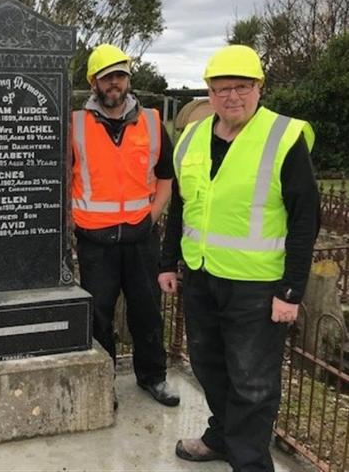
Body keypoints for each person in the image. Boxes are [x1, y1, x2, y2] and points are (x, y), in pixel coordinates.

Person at [158, 45, 319, 471]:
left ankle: (249, 462)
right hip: (202, 275)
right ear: (208, 92)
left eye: (242, 87)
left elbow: (306, 219)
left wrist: (291, 290)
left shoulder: (283, 137)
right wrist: (166, 260)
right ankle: (222, 436)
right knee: (210, 366)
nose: (232, 96)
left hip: (258, 284)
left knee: (252, 382)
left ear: (259, 88)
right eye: (221, 88)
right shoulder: (192, 136)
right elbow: (183, 205)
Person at [71, 44, 179, 408]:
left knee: (147, 311)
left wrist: (150, 218)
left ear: (129, 80)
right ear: (93, 83)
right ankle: (103, 383)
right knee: (98, 316)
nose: (114, 83)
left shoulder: (151, 122)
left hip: (140, 238)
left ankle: (154, 377)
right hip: (94, 241)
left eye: (120, 76)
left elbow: (165, 178)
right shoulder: (75, 125)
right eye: (107, 78)